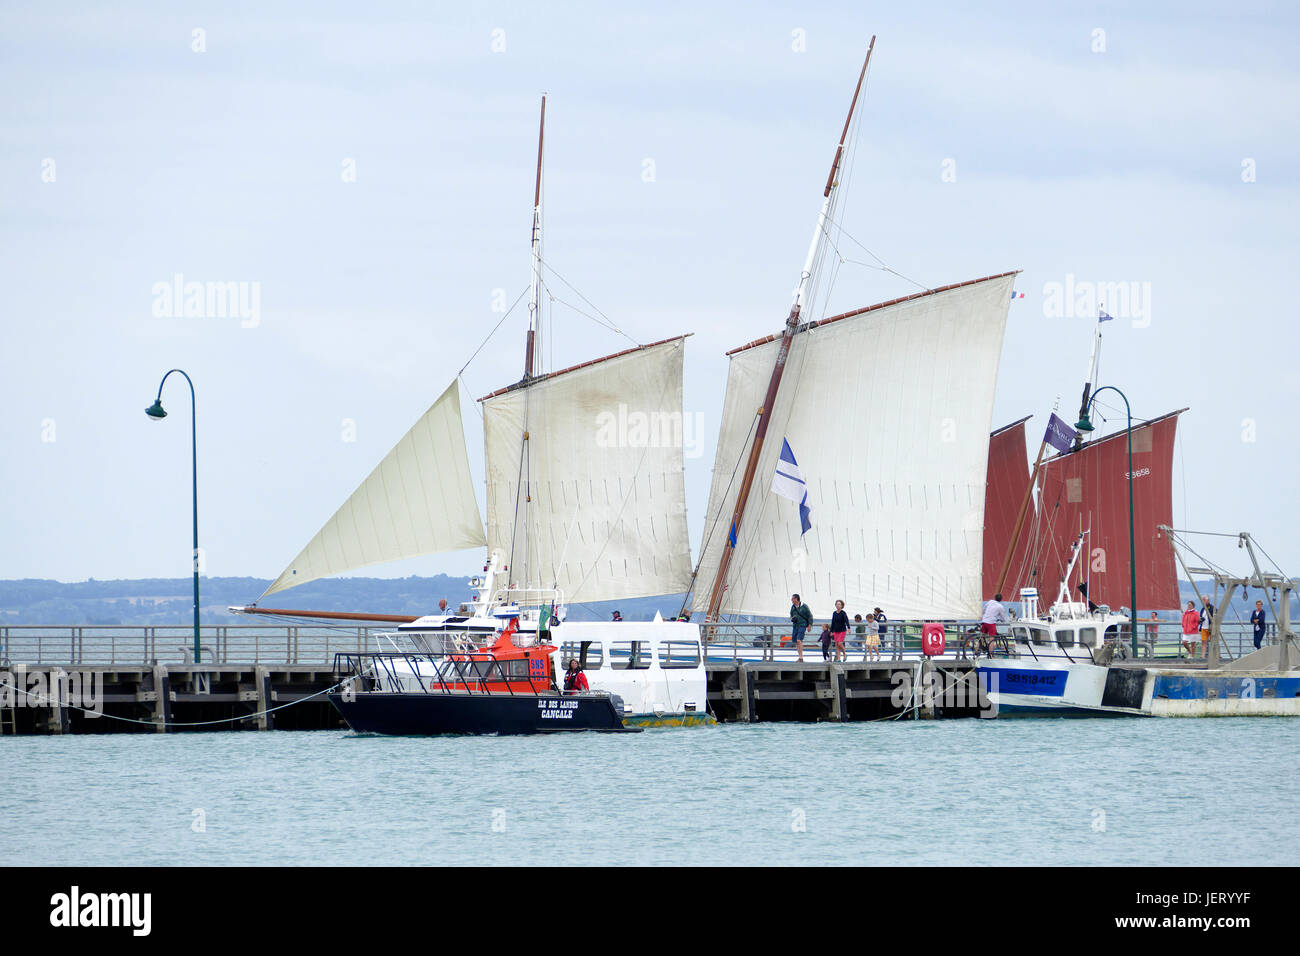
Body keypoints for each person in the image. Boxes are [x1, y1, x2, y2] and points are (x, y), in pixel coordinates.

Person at [789, 594, 813, 663]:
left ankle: (801, 657)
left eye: (793, 599)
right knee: (796, 641)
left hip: (802, 625)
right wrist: (791, 619)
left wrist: (810, 625)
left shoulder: (804, 606)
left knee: (799, 640)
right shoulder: (793, 607)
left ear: (796, 599)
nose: (792, 600)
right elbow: (791, 615)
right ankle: (800, 657)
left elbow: (810, 616)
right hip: (795, 625)